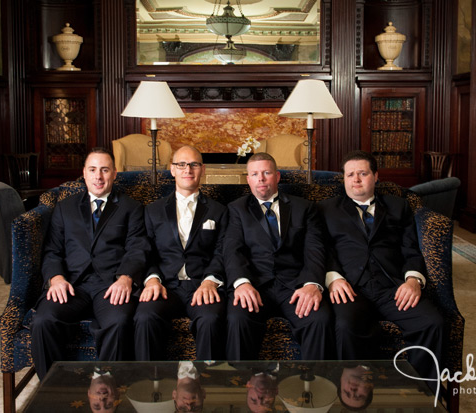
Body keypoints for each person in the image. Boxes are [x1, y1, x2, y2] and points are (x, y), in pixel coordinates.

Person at [318, 150, 443, 381]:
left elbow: (411, 249)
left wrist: (413, 280)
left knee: (432, 322)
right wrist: (333, 278)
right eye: (350, 175)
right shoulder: (325, 209)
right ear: (343, 179)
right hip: (350, 289)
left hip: (392, 288)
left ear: (376, 176)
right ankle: (352, 390)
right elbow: (321, 250)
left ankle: (420, 391)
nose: (356, 179)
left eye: (362, 173)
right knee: (345, 325)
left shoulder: (399, 206)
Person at [30, 147, 151, 379]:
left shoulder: (131, 207)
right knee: (43, 321)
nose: (99, 177)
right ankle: (53, 390)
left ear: (115, 173)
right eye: (93, 170)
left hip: (110, 286)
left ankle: (108, 389)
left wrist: (126, 278)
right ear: (84, 173)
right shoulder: (65, 208)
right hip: (72, 285)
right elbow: (52, 250)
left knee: (118, 321)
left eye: (105, 170)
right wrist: (56, 279)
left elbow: (138, 249)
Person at [223, 152, 332, 360]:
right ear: (248, 180)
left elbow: (315, 249)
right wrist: (241, 283)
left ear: (278, 176)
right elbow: (232, 250)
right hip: (255, 285)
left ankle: (315, 384)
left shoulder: (304, 208)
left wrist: (311, 284)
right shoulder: (237, 209)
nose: (261, 179)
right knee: (237, 318)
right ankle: (240, 383)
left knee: (319, 318)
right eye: (254, 174)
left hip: (294, 286)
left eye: (266, 172)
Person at [135, 145, 228, 360]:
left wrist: (210, 281)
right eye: (182, 164)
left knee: (210, 319)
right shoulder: (152, 210)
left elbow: (222, 251)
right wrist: (151, 280)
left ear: (202, 169)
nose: (188, 169)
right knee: (145, 316)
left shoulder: (219, 210)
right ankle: (151, 384)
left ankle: (208, 383)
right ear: (172, 169)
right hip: (165, 285)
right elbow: (144, 251)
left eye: (194, 164)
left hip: (202, 285)